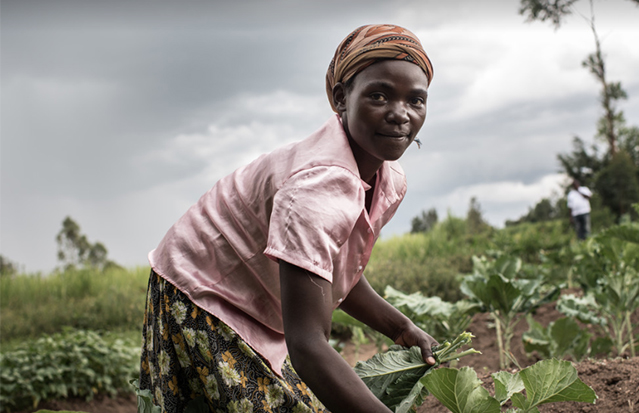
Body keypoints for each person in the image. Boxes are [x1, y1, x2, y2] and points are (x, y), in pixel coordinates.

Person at [139, 24, 437, 413]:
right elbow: (308, 345)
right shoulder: (316, 189)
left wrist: (400, 328)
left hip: (255, 296)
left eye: (416, 100)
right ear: (341, 98)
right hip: (199, 293)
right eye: (378, 95)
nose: (400, 114)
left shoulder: (386, 179)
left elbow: (329, 269)